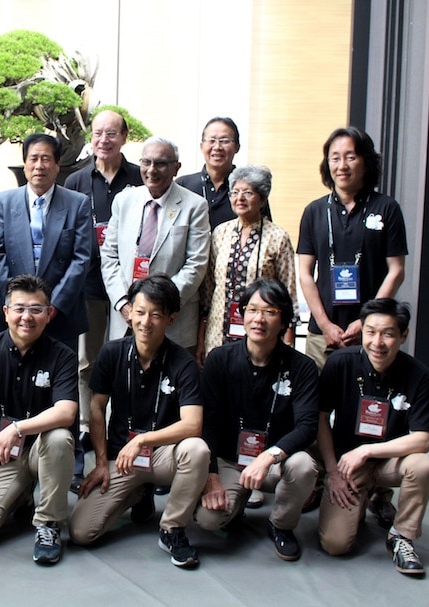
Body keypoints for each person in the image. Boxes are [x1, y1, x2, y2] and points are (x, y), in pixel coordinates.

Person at [70, 275, 209, 569]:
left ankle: (172, 528)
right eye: (140, 311)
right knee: (82, 532)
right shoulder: (112, 353)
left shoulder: (182, 363)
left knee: (196, 450)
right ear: (130, 311)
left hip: (162, 454)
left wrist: (144, 440)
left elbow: (192, 425)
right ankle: (138, 492)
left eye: (156, 315)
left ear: (171, 319)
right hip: (123, 456)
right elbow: (96, 409)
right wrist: (100, 463)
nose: (146, 322)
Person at [0, 275, 78, 565]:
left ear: (49, 315)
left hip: (43, 453)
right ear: (5, 312)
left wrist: (17, 428)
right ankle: (22, 493)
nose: (27, 317)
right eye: (19, 308)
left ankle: (48, 524)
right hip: (1, 459)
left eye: (36, 309)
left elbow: (66, 412)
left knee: (60, 437)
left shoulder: (63, 356)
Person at [196, 279, 319, 561]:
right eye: (252, 310)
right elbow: (209, 422)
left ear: (284, 320)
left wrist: (269, 456)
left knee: (303, 466)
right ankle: (234, 507)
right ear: (242, 314)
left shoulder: (303, 368)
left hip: (276, 462)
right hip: (230, 458)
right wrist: (212, 475)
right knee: (208, 521)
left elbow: (307, 426)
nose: (258, 319)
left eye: (270, 312)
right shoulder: (220, 360)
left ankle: (281, 525)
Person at [316, 298, 429, 576]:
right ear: (362, 332)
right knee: (335, 544)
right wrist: (332, 472)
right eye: (371, 332)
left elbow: (422, 440)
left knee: (422, 466)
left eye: (388, 333)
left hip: (387, 462)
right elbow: (321, 419)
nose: (377, 342)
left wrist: (368, 451)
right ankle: (365, 499)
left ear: (403, 336)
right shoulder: (340, 363)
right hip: (348, 465)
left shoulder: (419, 376)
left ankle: (402, 536)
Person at [64, 109, 144, 488]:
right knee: (87, 363)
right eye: (97, 133)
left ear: (125, 137)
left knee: (128, 362)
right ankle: (85, 428)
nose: (103, 140)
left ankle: (123, 430)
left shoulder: (139, 178)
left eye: (112, 133)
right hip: (89, 287)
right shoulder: (77, 180)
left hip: (132, 289)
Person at [297, 127, 407, 371]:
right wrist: (325, 325)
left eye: (350, 156)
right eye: (335, 158)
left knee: (363, 403)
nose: (342, 165)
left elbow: (396, 271)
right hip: (322, 333)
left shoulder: (387, 208)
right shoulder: (314, 211)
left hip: (371, 333)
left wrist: (366, 321)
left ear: (366, 162)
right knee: (317, 406)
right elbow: (305, 273)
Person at [100, 137, 210, 351]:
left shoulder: (194, 206)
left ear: (176, 168)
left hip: (172, 320)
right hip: (126, 318)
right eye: (146, 162)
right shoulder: (124, 201)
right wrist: (124, 304)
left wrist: (158, 307)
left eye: (160, 163)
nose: (151, 170)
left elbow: (196, 264)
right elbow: (109, 256)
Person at [0, 133, 93, 354]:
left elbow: (81, 258)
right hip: (14, 313)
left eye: (46, 159)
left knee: (59, 380)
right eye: (33, 159)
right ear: (24, 164)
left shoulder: (77, 204)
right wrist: (18, 302)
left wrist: (52, 304)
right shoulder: (3, 202)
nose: (39, 166)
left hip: (60, 312)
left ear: (57, 165)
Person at [197, 165, 296, 364]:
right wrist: (201, 337)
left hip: (261, 329)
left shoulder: (277, 237)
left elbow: (288, 291)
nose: (239, 198)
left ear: (262, 199)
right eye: (235, 192)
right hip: (218, 330)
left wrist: (288, 337)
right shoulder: (220, 233)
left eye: (248, 192)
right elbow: (208, 289)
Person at [176, 117, 273, 229]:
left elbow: (266, 231)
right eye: (212, 140)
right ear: (202, 146)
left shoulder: (251, 187)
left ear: (237, 147)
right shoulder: (182, 186)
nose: (217, 147)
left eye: (225, 141)